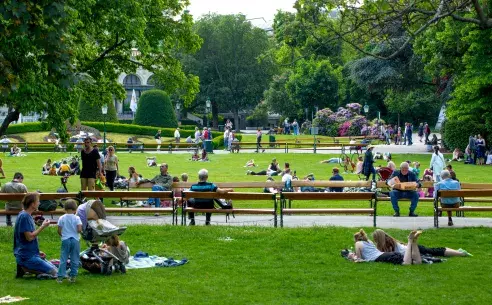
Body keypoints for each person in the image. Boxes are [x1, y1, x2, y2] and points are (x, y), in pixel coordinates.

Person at [14, 193, 57, 278]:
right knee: (55, 273)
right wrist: (43, 226)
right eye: (38, 201)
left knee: (55, 268)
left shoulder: (24, 214)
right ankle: (25, 268)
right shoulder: (25, 216)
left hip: (28, 254)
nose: (39, 203)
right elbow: (29, 237)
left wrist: (37, 252)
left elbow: (24, 240)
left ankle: (25, 269)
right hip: (26, 257)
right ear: (32, 204)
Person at [346, 229, 423, 265]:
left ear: (356, 239)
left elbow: (359, 259)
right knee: (417, 262)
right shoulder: (369, 241)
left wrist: (352, 258)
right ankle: (414, 241)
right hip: (385, 255)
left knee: (407, 263)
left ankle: (410, 240)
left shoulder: (357, 244)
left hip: (382, 257)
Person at [372, 229, 471, 257]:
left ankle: (461, 253)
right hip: (411, 248)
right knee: (435, 250)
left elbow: (387, 254)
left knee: (436, 252)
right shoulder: (390, 239)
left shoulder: (387, 244)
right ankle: (458, 251)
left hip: (412, 250)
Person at [56, 199, 82, 283]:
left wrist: (63, 235)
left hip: (65, 240)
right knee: (75, 258)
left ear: (65, 209)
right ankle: (73, 276)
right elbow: (79, 229)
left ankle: (60, 277)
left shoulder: (62, 218)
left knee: (63, 258)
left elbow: (59, 230)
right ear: (75, 209)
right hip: (75, 239)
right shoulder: (77, 218)